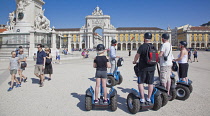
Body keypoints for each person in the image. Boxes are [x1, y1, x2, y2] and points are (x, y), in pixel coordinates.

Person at [133, 32, 156, 104]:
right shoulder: (154, 47)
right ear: (151, 38)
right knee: (150, 83)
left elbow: (137, 56)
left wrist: (134, 61)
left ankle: (142, 98)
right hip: (152, 67)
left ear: (144, 38)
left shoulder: (142, 46)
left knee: (140, 82)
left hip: (143, 68)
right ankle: (148, 98)